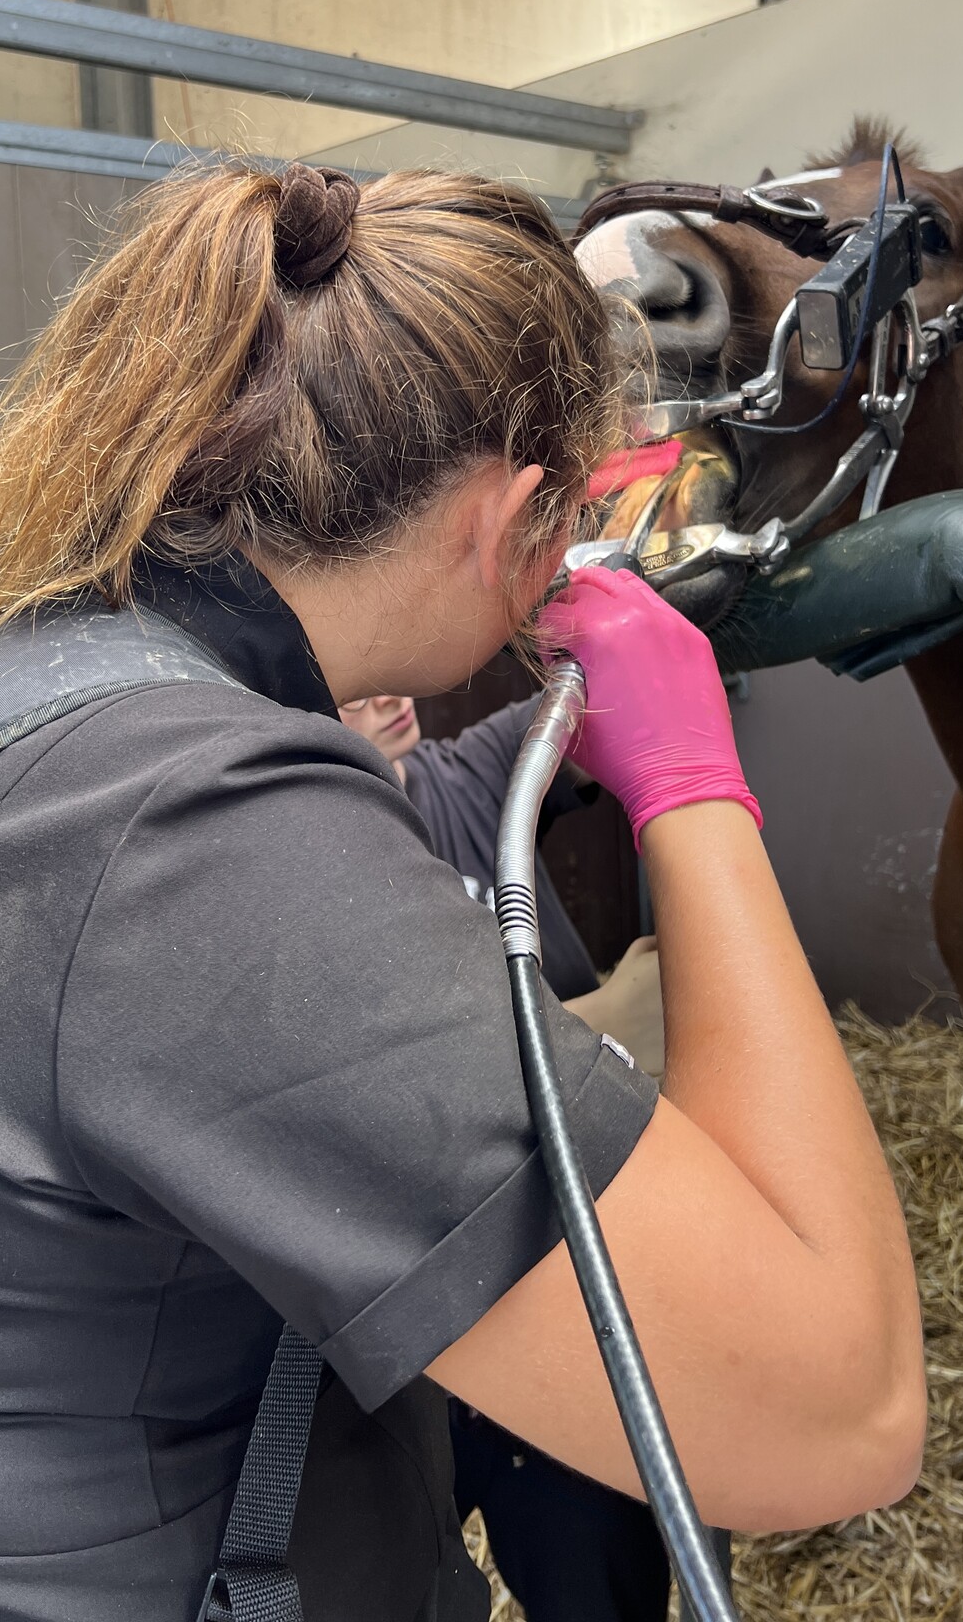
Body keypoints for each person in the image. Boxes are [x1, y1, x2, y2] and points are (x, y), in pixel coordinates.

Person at [0, 163, 925, 1622]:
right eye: (565, 522)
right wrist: (691, 787)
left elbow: (313, 922)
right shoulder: (186, 842)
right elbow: (844, 1407)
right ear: (509, 518)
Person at [340, 688, 672, 1617]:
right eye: (345, 684)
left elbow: (608, 697)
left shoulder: (473, 774)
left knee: (596, 1575)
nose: (385, 692)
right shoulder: (291, 851)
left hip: (560, 1306)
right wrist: (599, 1031)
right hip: (417, 1345)